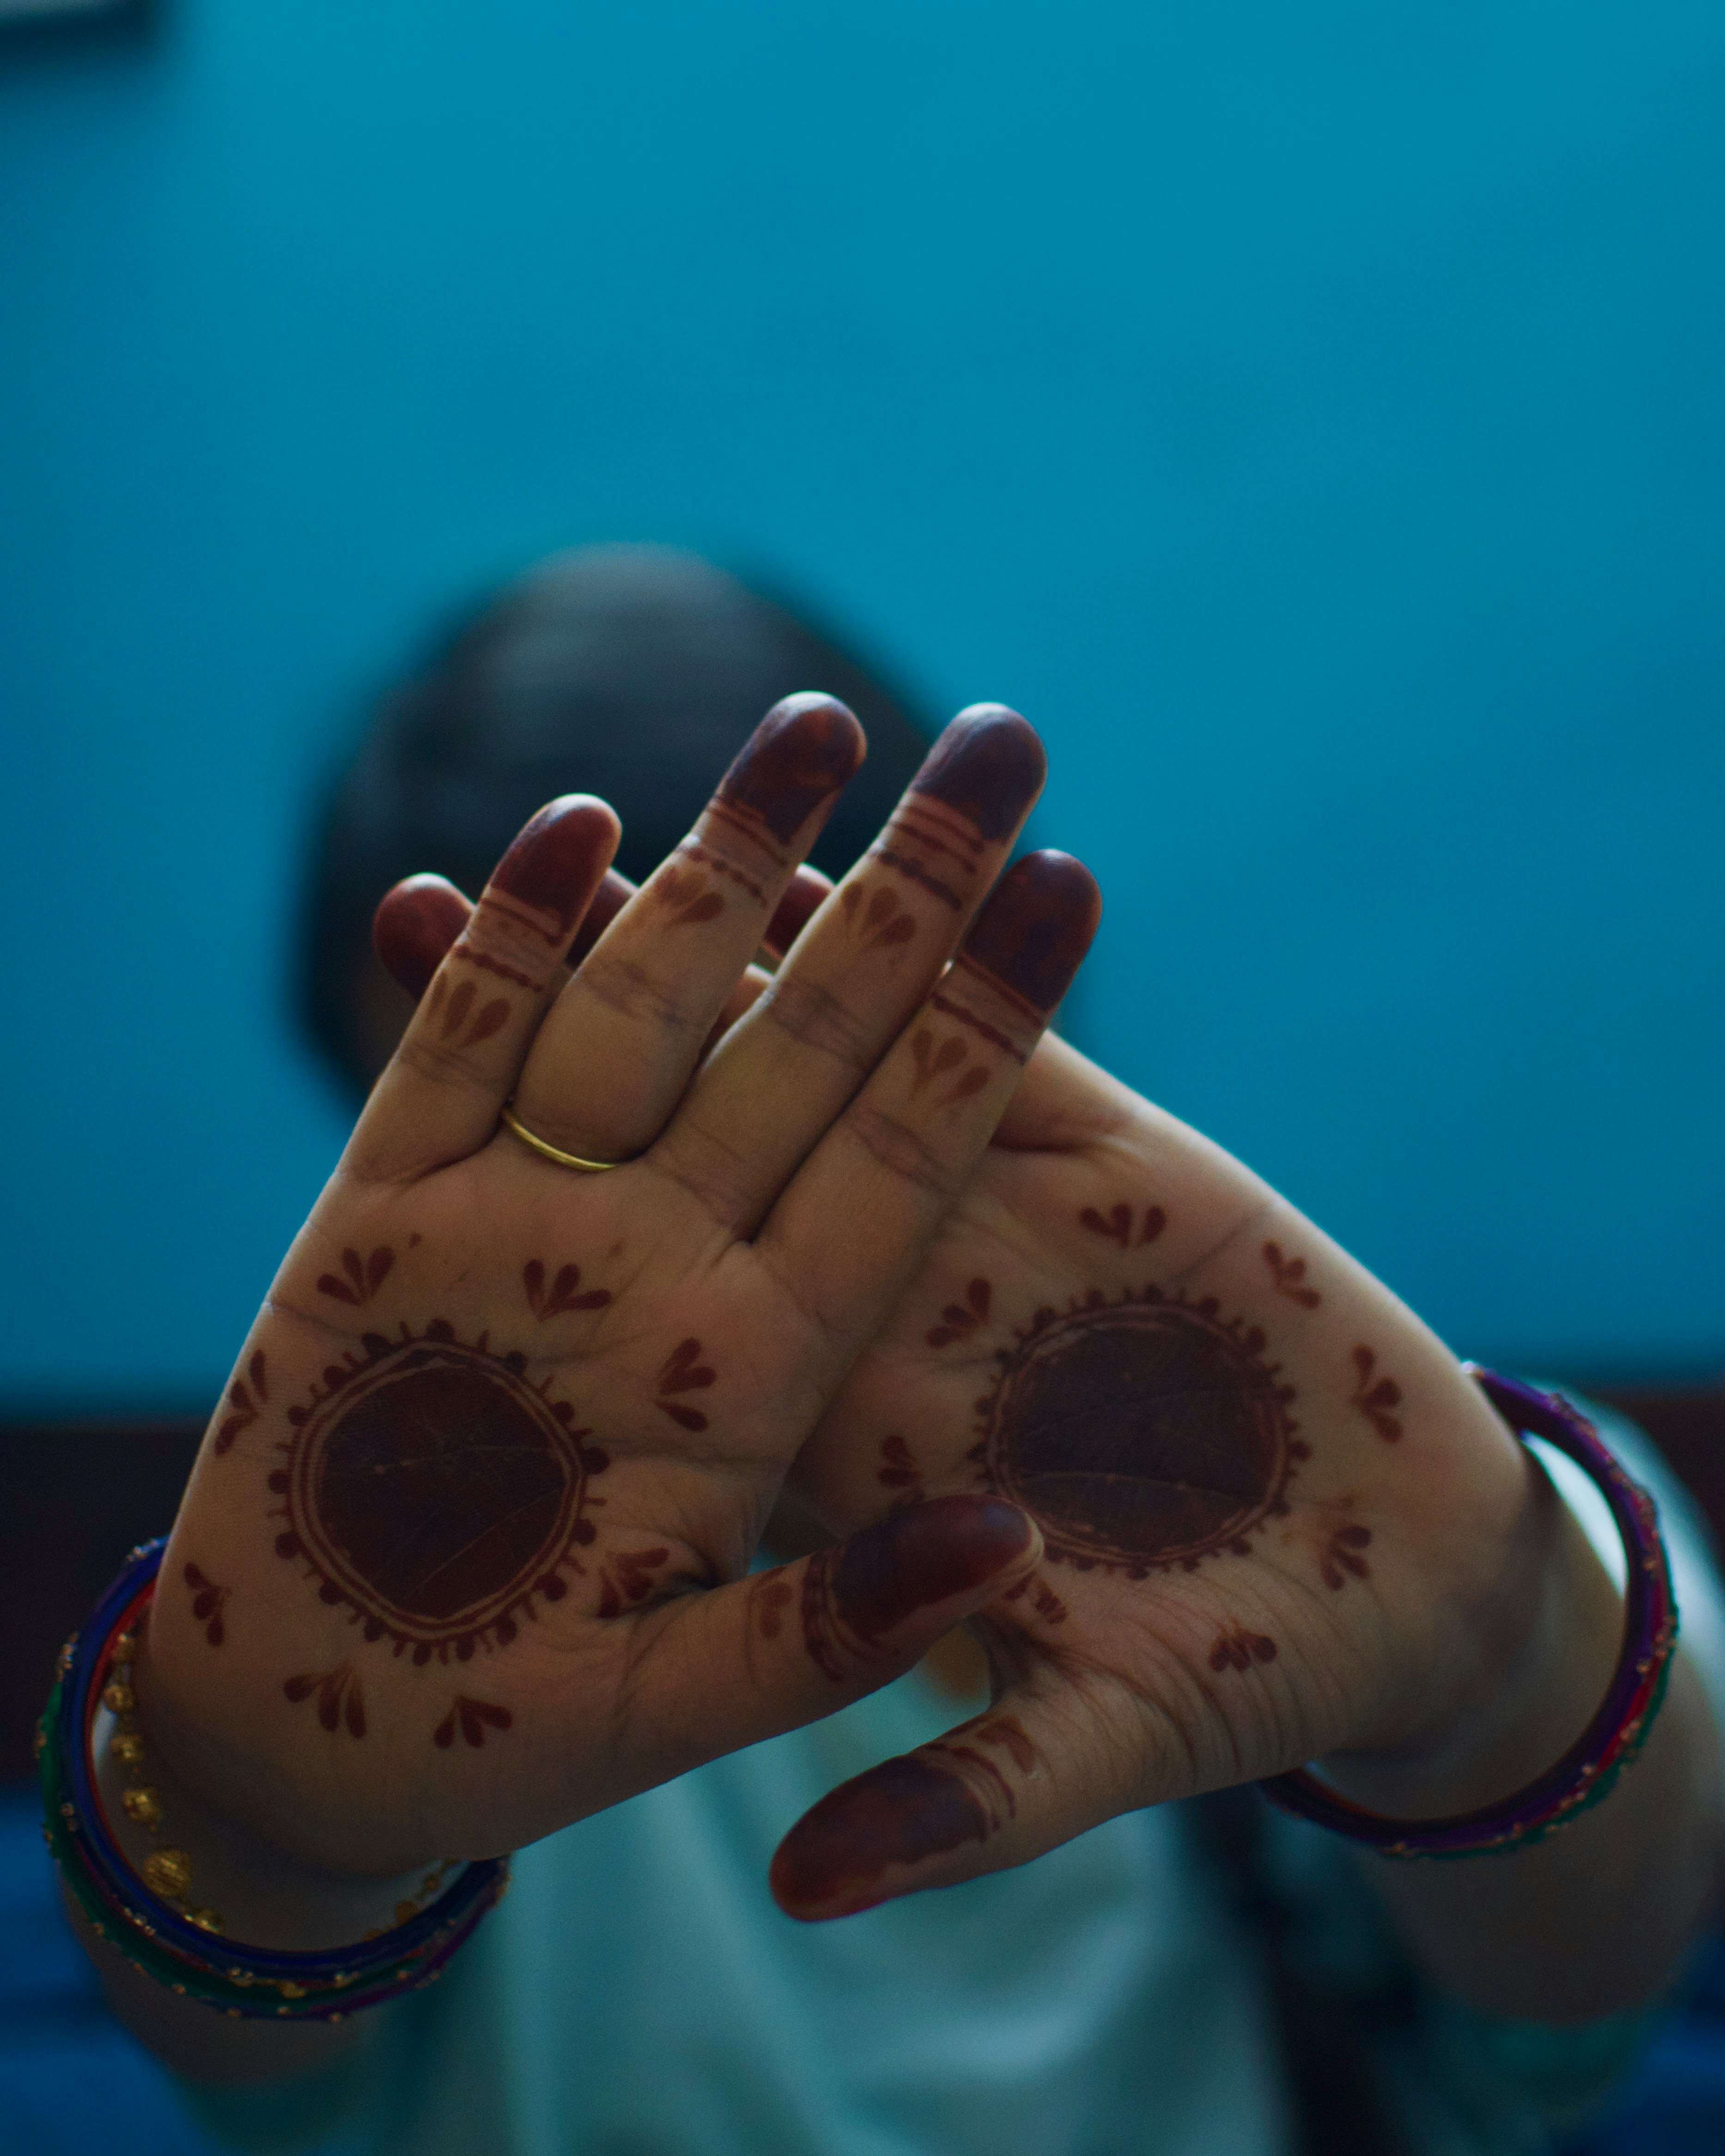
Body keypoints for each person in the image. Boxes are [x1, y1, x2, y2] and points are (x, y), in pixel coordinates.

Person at [57, 547, 1725, 2156]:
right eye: (533, 1153)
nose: (677, 1274)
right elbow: (248, 2030)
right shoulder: (347, 1606)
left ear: (975, 1012)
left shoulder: (1377, 1505)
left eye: (768, 1089)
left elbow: (1582, 1992)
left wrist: (1494, 1666)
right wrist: (264, 1836)